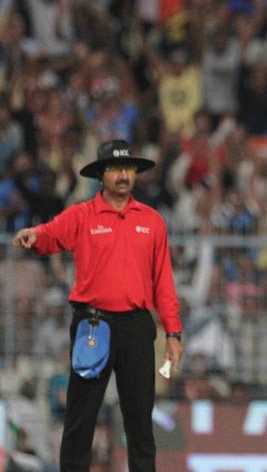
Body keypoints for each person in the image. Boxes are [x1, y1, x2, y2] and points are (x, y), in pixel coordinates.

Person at [12, 139, 184, 472]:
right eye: (115, 169)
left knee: (139, 424)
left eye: (128, 169)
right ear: (101, 175)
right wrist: (34, 235)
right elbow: (51, 233)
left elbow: (164, 282)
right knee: (80, 421)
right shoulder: (82, 215)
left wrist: (173, 332)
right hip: (94, 325)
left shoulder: (152, 221)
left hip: (136, 326)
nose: (123, 175)